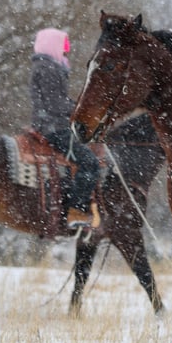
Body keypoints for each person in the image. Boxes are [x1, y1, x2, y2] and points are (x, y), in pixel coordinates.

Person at [30, 28, 100, 229]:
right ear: (53, 45)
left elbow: (57, 101)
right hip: (54, 128)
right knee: (90, 162)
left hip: (50, 124)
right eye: (63, 47)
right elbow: (55, 104)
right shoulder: (49, 69)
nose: (66, 51)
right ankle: (76, 211)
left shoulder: (46, 66)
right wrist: (80, 109)